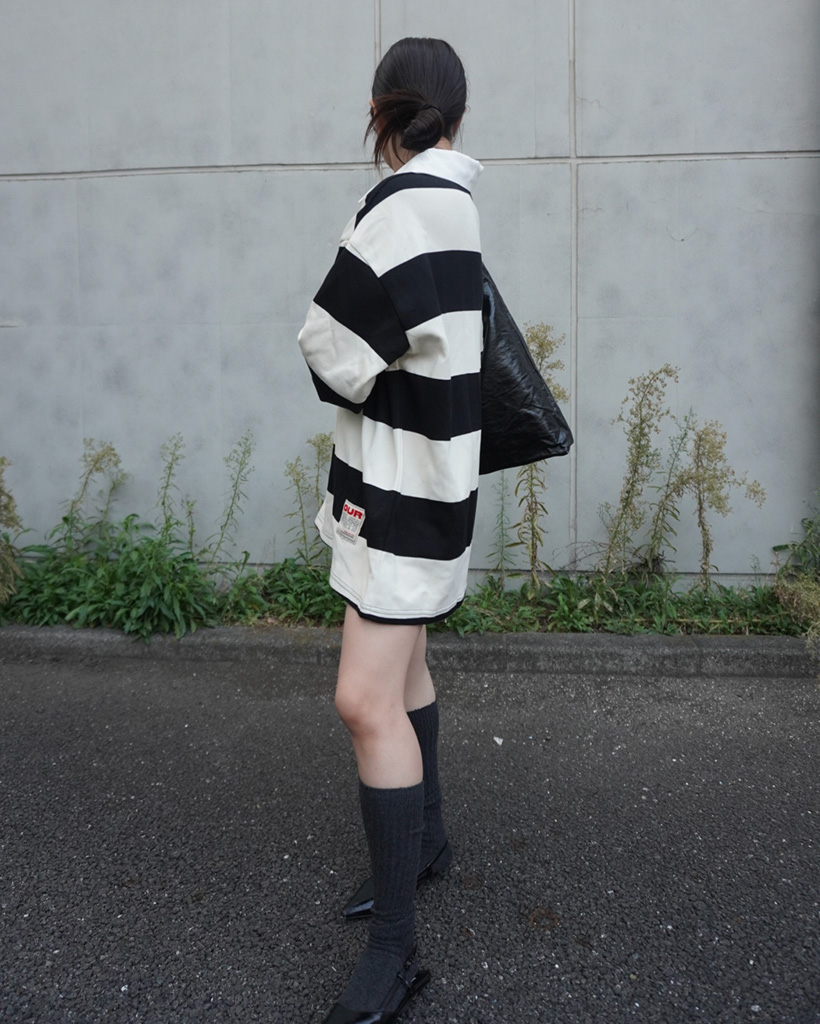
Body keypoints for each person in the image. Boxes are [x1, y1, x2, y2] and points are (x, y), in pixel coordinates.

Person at [297, 37, 484, 1024]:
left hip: (398, 490)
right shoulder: (456, 205)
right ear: (457, 115)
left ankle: (395, 953)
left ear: (381, 113)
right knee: (403, 675)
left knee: (362, 699)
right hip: (436, 483)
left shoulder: (399, 209)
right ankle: (429, 840)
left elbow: (329, 350)